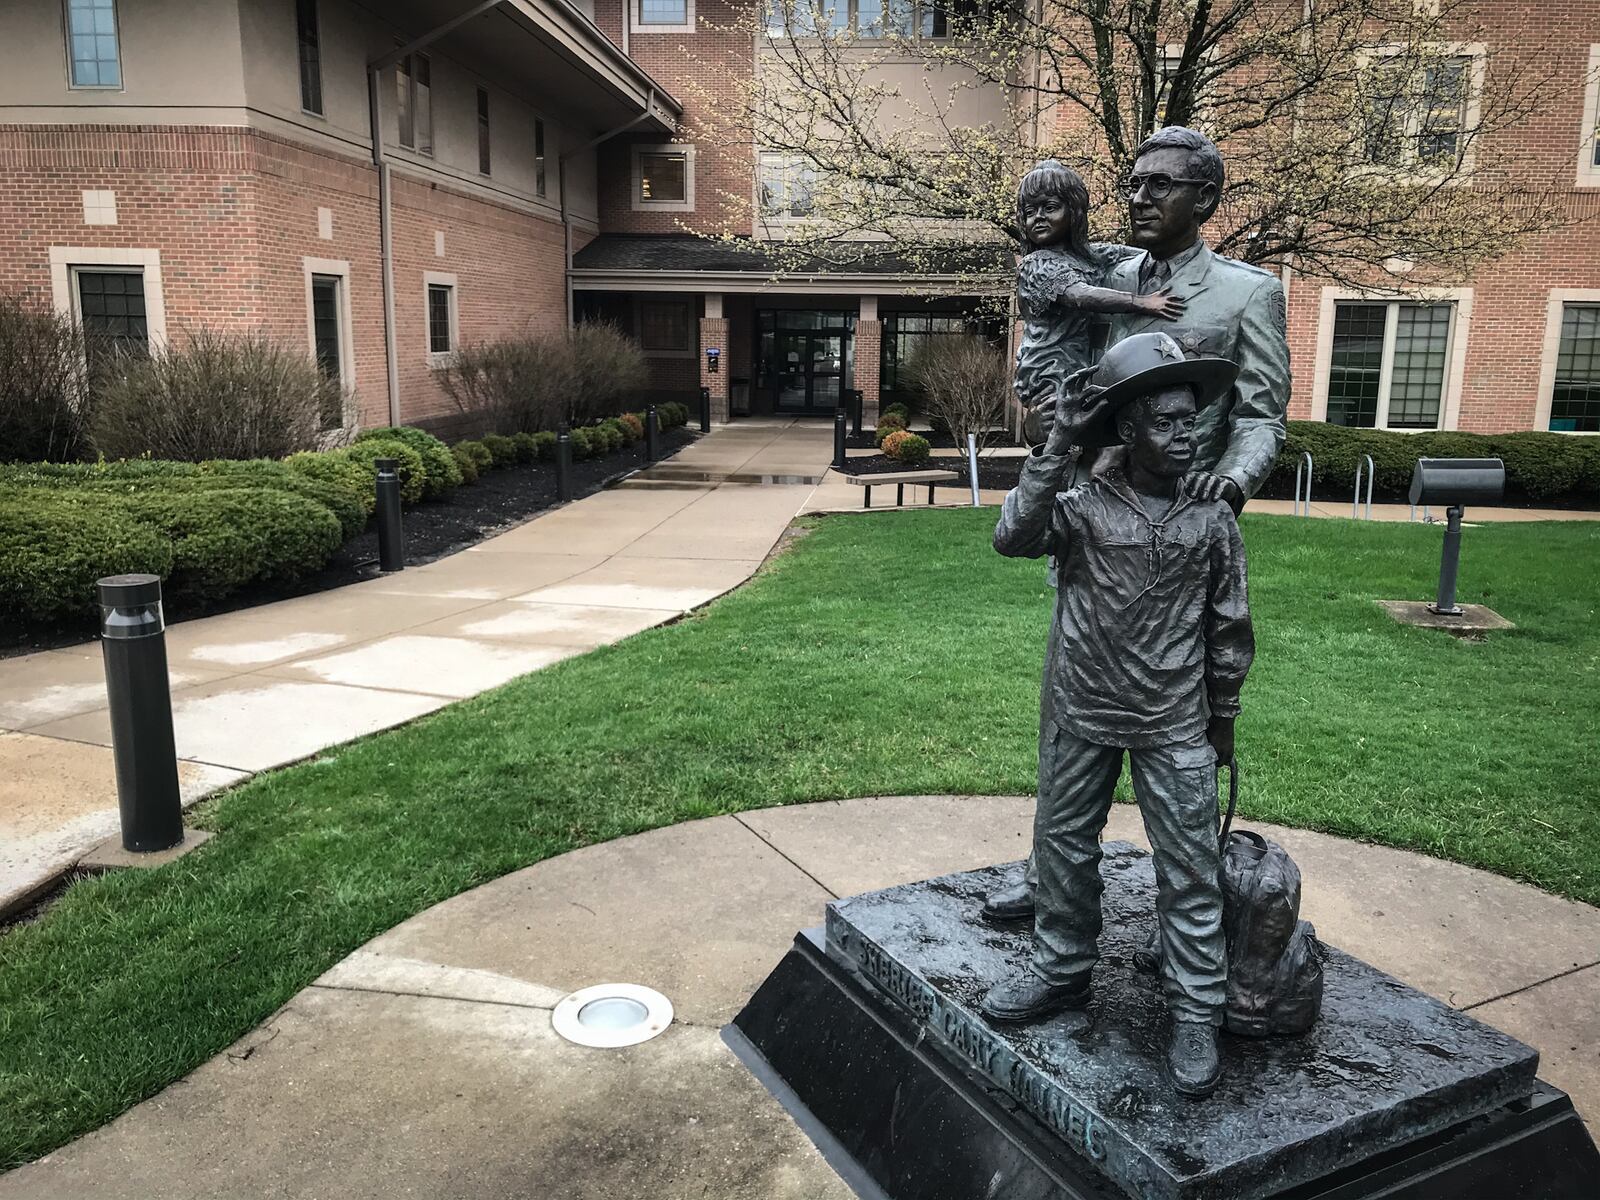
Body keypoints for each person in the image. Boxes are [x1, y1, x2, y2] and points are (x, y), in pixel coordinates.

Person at [983, 127, 1289, 925]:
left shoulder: (1247, 292)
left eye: (1161, 185)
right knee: (1069, 710)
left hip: (1181, 532)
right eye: (1134, 183)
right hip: (1090, 518)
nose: (1141, 196)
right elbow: (1048, 322)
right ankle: (1053, 873)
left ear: (1206, 199)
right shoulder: (1110, 273)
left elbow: (1261, 416)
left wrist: (1233, 481)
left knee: (1175, 725)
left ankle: (1185, 896)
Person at [983, 331, 1256, 1099]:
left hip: (1174, 718)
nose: (1185, 435)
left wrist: (1223, 714)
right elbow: (1012, 536)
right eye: (1166, 422)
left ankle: (1197, 1007)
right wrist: (1059, 441)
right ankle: (1062, 969)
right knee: (1064, 846)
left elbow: (1229, 625)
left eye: (1191, 421)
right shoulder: (1080, 509)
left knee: (1190, 867)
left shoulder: (1211, 520)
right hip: (1083, 707)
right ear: (1130, 431)